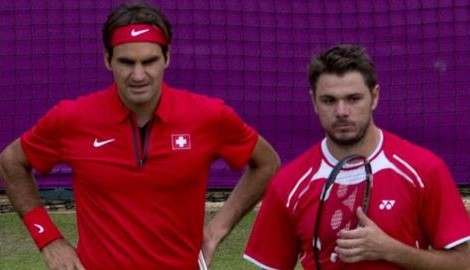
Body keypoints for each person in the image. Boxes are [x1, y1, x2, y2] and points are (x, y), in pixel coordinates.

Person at [0, 2, 280, 269]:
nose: (138, 75)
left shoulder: (208, 116)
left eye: (149, 61)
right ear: (107, 60)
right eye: (126, 62)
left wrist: (215, 232)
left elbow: (266, 163)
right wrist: (47, 238)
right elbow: (11, 162)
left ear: (167, 58)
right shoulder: (72, 118)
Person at [244, 44, 470, 269]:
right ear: (314, 101)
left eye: (353, 99)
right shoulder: (288, 184)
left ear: (374, 97)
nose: (341, 111)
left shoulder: (424, 170)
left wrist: (393, 250)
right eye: (329, 100)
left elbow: (464, 262)